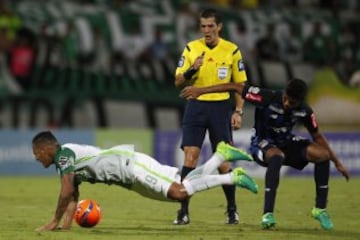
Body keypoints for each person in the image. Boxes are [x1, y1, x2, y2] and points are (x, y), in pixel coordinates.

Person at [180, 78, 350, 230]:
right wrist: (199, 91)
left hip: (286, 142)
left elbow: (317, 136)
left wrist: (337, 163)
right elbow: (235, 86)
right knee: (277, 157)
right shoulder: (266, 97)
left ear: (299, 101)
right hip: (262, 144)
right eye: (286, 99)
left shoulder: (305, 111)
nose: (286, 104)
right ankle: (267, 214)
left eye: (291, 103)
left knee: (322, 155)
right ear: (284, 93)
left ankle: (320, 209)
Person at [32, 131, 258, 232]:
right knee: (183, 187)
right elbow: (73, 196)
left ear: (45, 148)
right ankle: (221, 155)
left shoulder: (64, 154)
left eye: (36, 152)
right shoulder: (66, 159)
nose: (36, 157)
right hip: (130, 178)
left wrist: (53, 221)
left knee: (180, 193)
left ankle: (231, 176)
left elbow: (66, 191)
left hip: (132, 167)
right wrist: (65, 227)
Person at [173, 8, 248, 225]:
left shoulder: (231, 51)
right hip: (196, 107)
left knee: (223, 162)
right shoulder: (191, 48)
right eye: (203, 26)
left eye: (211, 26)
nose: (206, 30)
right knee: (191, 157)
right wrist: (191, 70)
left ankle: (232, 210)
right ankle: (183, 211)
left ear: (219, 27)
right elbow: (178, 81)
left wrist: (238, 111)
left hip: (221, 109)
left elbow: (240, 86)